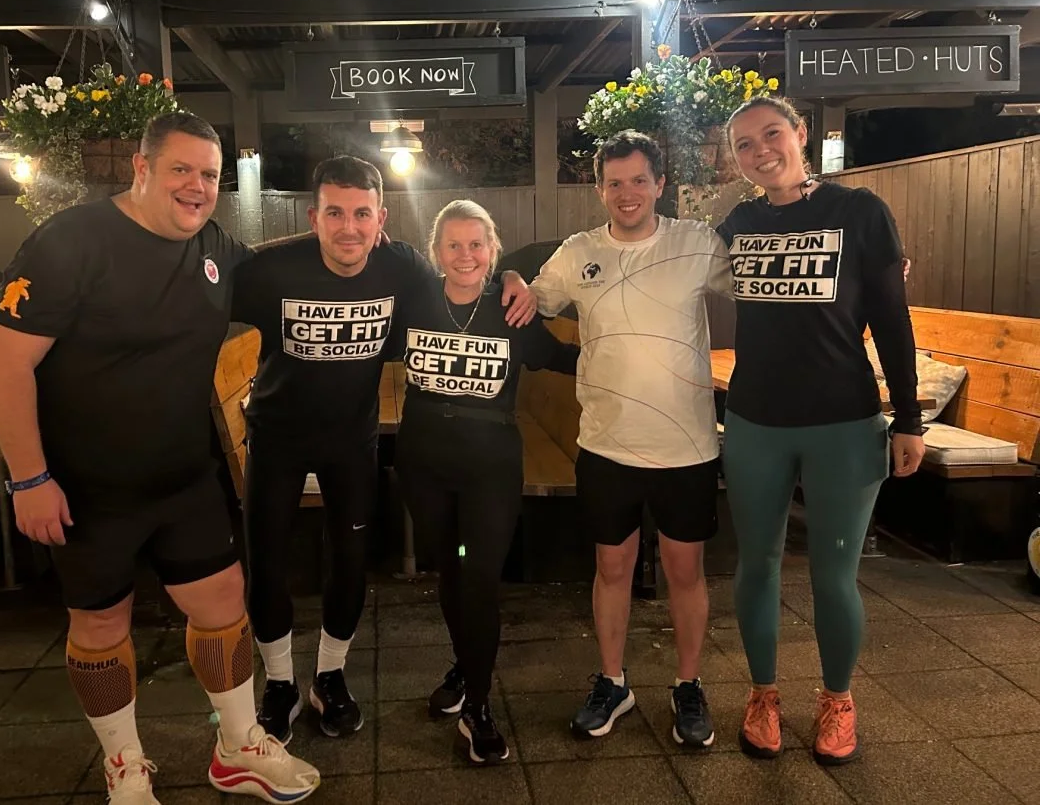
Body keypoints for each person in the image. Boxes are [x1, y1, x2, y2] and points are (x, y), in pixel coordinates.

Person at [0, 113, 321, 803]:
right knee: (101, 624)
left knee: (224, 603)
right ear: (141, 168)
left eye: (209, 175)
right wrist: (29, 477)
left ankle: (236, 747)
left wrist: (350, 240)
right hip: (81, 486)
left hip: (181, 476)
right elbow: (0, 361)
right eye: (182, 170)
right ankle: (126, 765)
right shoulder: (70, 241)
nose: (197, 187)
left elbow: (278, 266)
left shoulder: (216, 246)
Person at [230, 157, 537, 744]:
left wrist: (515, 281)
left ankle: (329, 676)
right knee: (266, 559)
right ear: (313, 216)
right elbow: (210, 283)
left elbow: (467, 272)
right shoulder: (272, 269)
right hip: (277, 437)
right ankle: (278, 684)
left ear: (382, 220)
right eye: (335, 213)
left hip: (352, 438)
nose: (349, 227)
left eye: (362, 214)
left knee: (350, 561)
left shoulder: (401, 267)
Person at [716, 96, 924, 766]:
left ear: (800, 135)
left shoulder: (859, 213)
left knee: (835, 576)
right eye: (745, 144)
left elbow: (893, 320)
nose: (761, 151)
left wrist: (909, 420)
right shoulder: (737, 223)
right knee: (758, 567)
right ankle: (764, 694)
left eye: (771, 134)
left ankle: (837, 699)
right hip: (754, 422)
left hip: (844, 422)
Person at [530, 130, 732, 748]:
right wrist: (503, 279)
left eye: (639, 180)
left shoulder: (697, 244)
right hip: (606, 445)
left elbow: (765, 289)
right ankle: (613, 681)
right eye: (614, 182)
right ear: (599, 189)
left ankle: (688, 685)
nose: (627, 193)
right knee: (611, 566)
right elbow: (527, 302)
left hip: (687, 447)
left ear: (660, 184)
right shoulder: (577, 251)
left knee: (684, 570)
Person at [393, 200, 580, 765]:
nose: (465, 255)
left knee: (478, 577)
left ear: (493, 248)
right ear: (436, 253)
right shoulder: (416, 299)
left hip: (490, 467)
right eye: (453, 244)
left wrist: (629, 350)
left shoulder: (511, 307)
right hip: (424, 462)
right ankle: (467, 661)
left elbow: (561, 356)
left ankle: (477, 705)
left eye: (477, 244)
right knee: (449, 570)